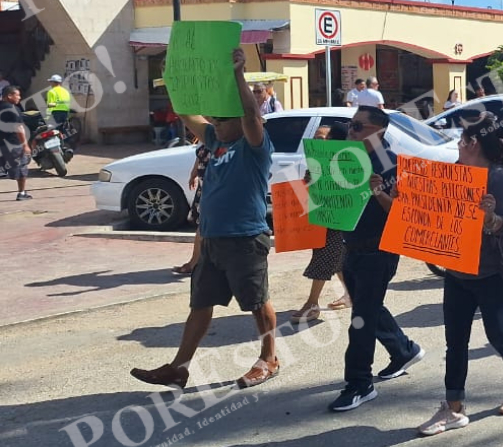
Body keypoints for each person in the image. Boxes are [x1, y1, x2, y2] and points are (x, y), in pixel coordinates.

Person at [131, 48, 279, 389]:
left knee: (257, 302)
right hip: (212, 239)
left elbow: (251, 116)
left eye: (223, 119)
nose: (216, 124)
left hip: (245, 238)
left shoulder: (255, 148)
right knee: (200, 304)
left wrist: (238, 74)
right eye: (215, 119)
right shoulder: (215, 141)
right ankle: (179, 368)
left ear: (239, 121)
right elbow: (186, 112)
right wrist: (172, 78)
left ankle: (269, 358)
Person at [418, 114, 503, 431]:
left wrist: (490, 217)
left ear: (473, 144)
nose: (458, 144)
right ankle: (453, 408)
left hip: (492, 272)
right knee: (455, 341)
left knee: (498, 333)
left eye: (462, 139)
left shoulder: (500, 179)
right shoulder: (453, 173)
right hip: (457, 271)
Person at [329, 106, 424, 411]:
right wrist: (316, 182)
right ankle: (404, 350)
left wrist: (378, 193)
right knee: (367, 307)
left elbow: (401, 213)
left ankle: (359, 383)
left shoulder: (391, 164)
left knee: (361, 319)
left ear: (379, 131)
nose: (351, 131)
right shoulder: (345, 158)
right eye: (350, 125)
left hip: (378, 251)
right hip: (351, 246)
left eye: (358, 127)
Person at [289, 124, 350, 324]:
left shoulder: (345, 161)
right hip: (321, 218)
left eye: (321, 138)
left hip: (337, 220)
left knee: (324, 257)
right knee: (336, 258)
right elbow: (308, 187)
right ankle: (350, 294)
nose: (316, 142)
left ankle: (312, 304)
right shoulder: (316, 162)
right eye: (315, 138)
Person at [172, 140, 212, 276]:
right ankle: (196, 262)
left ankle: (195, 263)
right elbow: (200, 157)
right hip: (205, 187)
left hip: (214, 189)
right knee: (203, 226)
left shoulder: (223, 139)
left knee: (204, 226)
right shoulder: (207, 137)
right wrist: (193, 174)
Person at [0, 85, 32, 201]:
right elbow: (19, 128)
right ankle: (21, 193)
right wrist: (25, 145)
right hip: (13, 144)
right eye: (17, 95)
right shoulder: (13, 109)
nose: (19, 97)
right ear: (9, 96)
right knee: (22, 167)